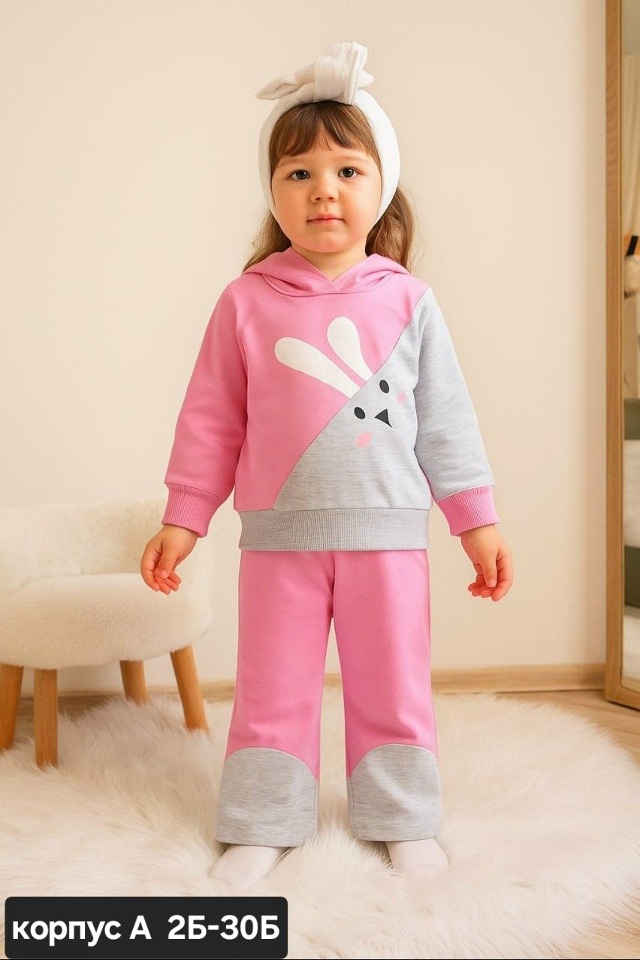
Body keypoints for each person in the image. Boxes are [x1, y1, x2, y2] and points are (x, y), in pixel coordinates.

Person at [140, 41, 513, 889]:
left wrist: (477, 521)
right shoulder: (246, 300)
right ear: (272, 191)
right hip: (280, 540)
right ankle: (262, 823)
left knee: (392, 685)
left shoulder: (410, 301)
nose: (323, 191)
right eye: (299, 174)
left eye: (346, 170)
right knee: (273, 688)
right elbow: (211, 418)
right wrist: (183, 518)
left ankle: (402, 819)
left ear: (382, 186)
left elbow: (446, 421)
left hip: (389, 537)